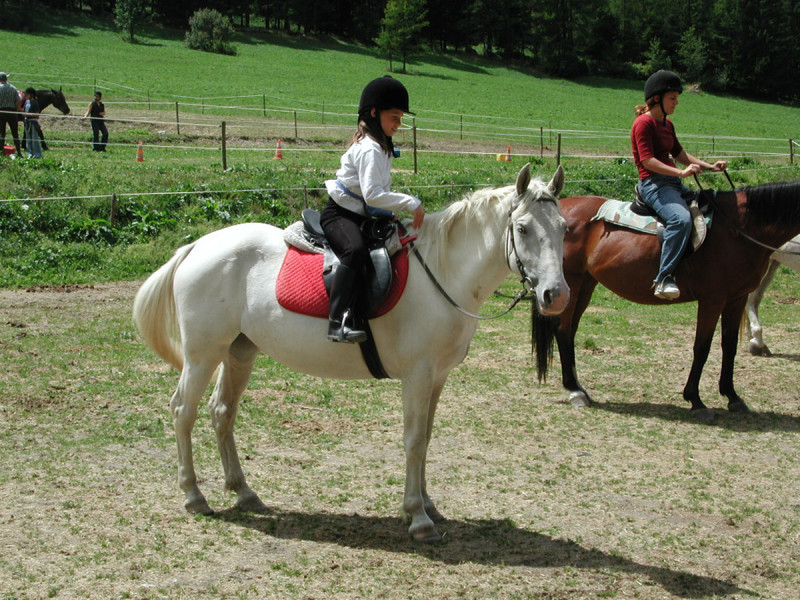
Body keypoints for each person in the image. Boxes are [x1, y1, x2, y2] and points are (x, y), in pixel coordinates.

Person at [320, 76, 425, 343]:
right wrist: (410, 203)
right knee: (354, 251)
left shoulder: (382, 147)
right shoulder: (370, 149)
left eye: (401, 118)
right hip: (340, 215)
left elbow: (374, 199)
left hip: (361, 214)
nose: (398, 124)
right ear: (374, 113)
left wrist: (388, 213)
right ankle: (337, 321)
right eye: (394, 117)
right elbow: (373, 195)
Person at [631, 70, 727, 300]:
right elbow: (648, 161)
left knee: (709, 204)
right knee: (680, 219)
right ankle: (663, 278)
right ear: (657, 99)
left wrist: (711, 167)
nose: (676, 102)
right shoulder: (643, 124)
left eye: (676, 98)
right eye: (672, 98)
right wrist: (681, 173)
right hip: (653, 185)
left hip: (672, 183)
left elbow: (681, 154)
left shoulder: (667, 124)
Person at [0, 72, 22, 157]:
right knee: (15, 133)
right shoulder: (13, 88)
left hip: (1, 112)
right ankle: (19, 152)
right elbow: (18, 100)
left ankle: (1, 152)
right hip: (12, 112)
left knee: (2, 133)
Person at [22, 88, 42, 159]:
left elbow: (37, 115)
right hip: (27, 122)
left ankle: (37, 154)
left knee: (34, 139)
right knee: (28, 139)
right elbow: (24, 110)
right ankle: (29, 154)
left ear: (31, 95)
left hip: (33, 123)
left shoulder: (35, 103)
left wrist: (28, 115)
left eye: (27, 94)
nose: (26, 95)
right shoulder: (27, 102)